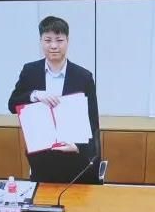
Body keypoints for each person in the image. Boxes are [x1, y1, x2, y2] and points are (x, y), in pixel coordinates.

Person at [8, 15, 101, 183]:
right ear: (41, 41)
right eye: (47, 40)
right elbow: (12, 104)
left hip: (74, 157)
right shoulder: (30, 71)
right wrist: (34, 95)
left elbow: (92, 120)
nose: (53, 46)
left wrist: (79, 147)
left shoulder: (83, 76)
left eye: (59, 40)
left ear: (67, 41)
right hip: (41, 157)